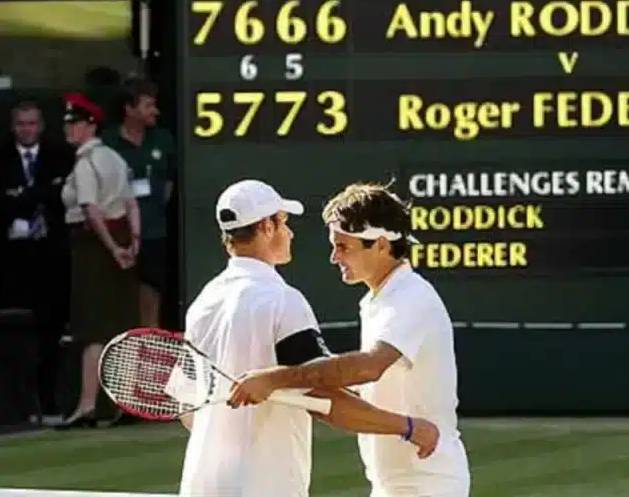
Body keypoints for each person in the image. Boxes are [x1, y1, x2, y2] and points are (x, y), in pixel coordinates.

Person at [179, 179, 439, 497]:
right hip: (266, 486)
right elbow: (322, 400)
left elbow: (187, 407)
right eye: (284, 222)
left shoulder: (201, 305)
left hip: (200, 484)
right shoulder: (283, 300)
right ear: (266, 227)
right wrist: (407, 427)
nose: (290, 232)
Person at [56, 93, 141, 429]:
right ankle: (124, 402)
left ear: (90, 126)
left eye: (74, 123)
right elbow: (131, 204)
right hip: (118, 241)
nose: (69, 129)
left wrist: (113, 248)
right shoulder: (115, 158)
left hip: (95, 247)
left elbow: (92, 211)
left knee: (93, 328)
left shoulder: (87, 162)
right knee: (120, 323)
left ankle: (89, 405)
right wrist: (132, 243)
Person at [0, 102, 75, 420]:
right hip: (9, 263)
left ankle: (49, 399)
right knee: (13, 334)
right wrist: (36, 196)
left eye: (32, 124)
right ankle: (17, 403)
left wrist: (23, 196)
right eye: (21, 124)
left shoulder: (59, 158)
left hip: (49, 260)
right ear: (14, 127)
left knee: (50, 335)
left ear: (41, 126)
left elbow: (58, 198)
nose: (27, 130)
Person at [102, 78, 174, 328]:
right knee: (118, 299)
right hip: (118, 233)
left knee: (151, 295)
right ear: (129, 109)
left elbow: (168, 184)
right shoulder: (108, 142)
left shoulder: (163, 140)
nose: (154, 111)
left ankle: (150, 356)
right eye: (148, 105)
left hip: (154, 232)